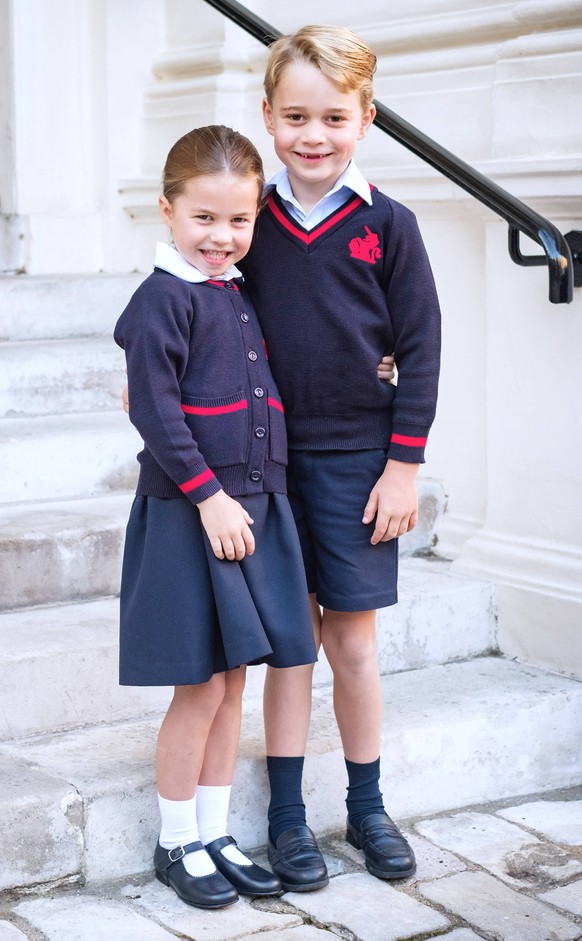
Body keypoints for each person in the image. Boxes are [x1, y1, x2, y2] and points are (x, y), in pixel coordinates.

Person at [237, 24, 441, 890]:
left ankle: (366, 807)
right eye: (294, 116)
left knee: (350, 643)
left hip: (359, 466)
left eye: (333, 117)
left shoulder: (388, 225)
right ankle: (288, 821)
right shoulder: (251, 221)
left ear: (366, 120)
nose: (311, 136)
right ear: (268, 116)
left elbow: (421, 348)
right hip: (271, 467)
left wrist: (404, 465)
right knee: (291, 646)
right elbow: (204, 307)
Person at [113, 124, 319, 910]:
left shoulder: (229, 287)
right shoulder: (160, 301)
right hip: (192, 515)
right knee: (198, 686)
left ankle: (214, 827)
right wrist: (209, 495)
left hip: (248, 511)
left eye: (239, 221)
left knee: (234, 682)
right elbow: (159, 416)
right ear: (167, 211)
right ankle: (175, 841)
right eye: (204, 218)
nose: (222, 237)